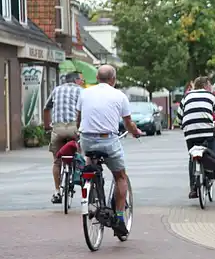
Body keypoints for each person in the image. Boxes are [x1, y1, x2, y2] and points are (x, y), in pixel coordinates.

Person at [77, 65, 142, 238]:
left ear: (97, 78)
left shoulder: (84, 93)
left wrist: (80, 136)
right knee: (120, 176)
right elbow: (128, 123)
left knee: (91, 165)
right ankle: (119, 218)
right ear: (113, 79)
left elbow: (79, 119)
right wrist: (135, 132)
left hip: (87, 140)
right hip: (108, 140)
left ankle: (92, 193)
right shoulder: (119, 96)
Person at [179, 76, 215, 198]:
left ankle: (193, 188)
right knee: (212, 153)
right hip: (207, 131)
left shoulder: (186, 96)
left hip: (190, 133)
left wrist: (183, 125)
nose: (211, 88)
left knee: (192, 156)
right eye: (210, 85)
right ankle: (210, 175)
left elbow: (179, 117)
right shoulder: (211, 96)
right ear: (205, 86)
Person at [43, 71, 84, 204]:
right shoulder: (81, 91)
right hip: (74, 128)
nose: (82, 82)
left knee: (57, 161)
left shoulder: (56, 90)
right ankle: (82, 180)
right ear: (76, 80)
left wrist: (47, 127)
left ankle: (57, 191)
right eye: (81, 80)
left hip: (58, 129)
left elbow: (46, 108)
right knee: (81, 154)